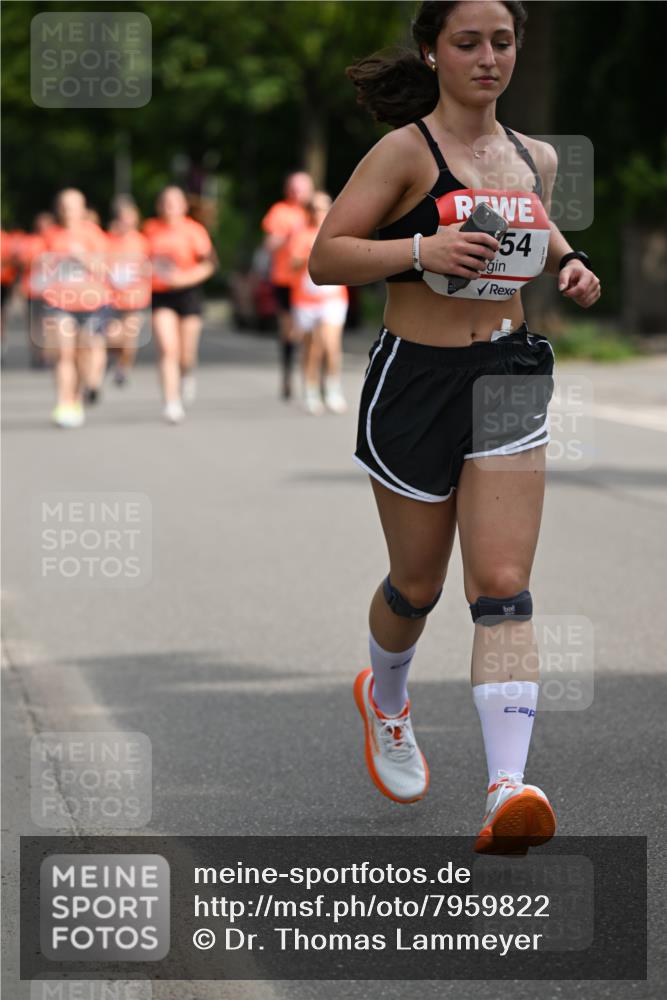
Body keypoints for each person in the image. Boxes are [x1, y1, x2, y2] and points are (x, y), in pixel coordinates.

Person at [309, 0, 600, 854]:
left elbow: (531, 225)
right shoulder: (405, 152)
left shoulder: (531, 156)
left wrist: (571, 261)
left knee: (501, 586)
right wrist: (418, 253)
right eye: (466, 43)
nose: (487, 58)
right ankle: (387, 700)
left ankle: (507, 786)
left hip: (506, 375)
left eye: (501, 42)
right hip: (414, 382)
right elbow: (327, 256)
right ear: (432, 53)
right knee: (417, 586)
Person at [143, 186, 217, 424]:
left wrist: (185, 278)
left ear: (183, 206)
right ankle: (171, 402)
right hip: (161, 295)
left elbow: (209, 265)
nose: (169, 207)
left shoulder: (194, 231)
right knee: (167, 348)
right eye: (165, 202)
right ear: (159, 206)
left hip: (188, 294)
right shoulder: (150, 230)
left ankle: (187, 375)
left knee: (186, 355)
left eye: (174, 202)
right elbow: (138, 261)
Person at [40, 189, 111, 428]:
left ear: (82, 209)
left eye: (73, 206)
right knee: (64, 353)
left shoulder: (93, 234)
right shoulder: (50, 235)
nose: (68, 211)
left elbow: (105, 268)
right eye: (63, 206)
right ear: (57, 208)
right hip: (60, 302)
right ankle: (64, 402)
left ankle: (78, 397)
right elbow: (39, 269)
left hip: (91, 302)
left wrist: (84, 259)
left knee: (85, 354)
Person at [287, 192, 349, 415]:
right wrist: (309, 256)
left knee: (331, 345)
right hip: (305, 300)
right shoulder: (301, 235)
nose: (318, 212)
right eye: (313, 207)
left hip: (332, 299)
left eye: (323, 207)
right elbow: (291, 264)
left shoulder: (338, 233)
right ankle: (311, 390)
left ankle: (332, 389)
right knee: (312, 348)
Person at [261, 171, 314, 400]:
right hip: (284, 279)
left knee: (315, 333)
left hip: (311, 282)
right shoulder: (279, 211)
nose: (297, 192)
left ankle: (313, 379)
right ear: (286, 190)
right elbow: (269, 244)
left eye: (301, 188)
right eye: (293, 188)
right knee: (290, 331)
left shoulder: (316, 211)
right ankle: (288, 374)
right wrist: (287, 235)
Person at [106, 195, 151, 386]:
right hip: (111, 298)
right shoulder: (107, 240)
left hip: (136, 298)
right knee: (111, 337)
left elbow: (151, 266)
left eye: (130, 217)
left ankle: (123, 369)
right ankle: (110, 359)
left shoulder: (143, 241)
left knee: (129, 337)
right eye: (123, 217)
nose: (126, 221)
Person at [16, 212, 55, 368]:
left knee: (50, 323)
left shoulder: (56, 240)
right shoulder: (31, 242)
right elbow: (21, 263)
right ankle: (37, 355)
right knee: (34, 324)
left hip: (52, 291)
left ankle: (48, 354)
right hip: (33, 289)